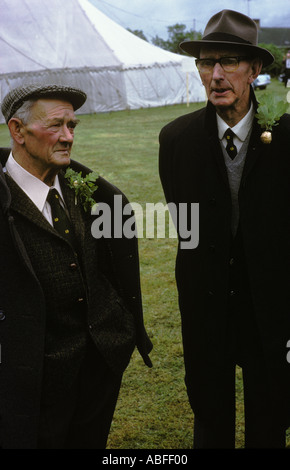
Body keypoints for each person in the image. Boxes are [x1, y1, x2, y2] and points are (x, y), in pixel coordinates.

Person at [159, 9, 290, 449]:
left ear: (254, 70)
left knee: (269, 419)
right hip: (207, 304)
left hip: (269, 305)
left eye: (228, 62)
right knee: (210, 418)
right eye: (205, 62)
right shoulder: (176, 140)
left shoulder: (287, 137)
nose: (215, 75)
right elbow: (186, 226)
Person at [0, 84, 152, 449]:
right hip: (31, 379)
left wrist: (120, 330)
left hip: (99, 365)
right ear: (17, 131)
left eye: (73, 126)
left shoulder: (93, 194)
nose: (68, 137)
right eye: (56, 126)